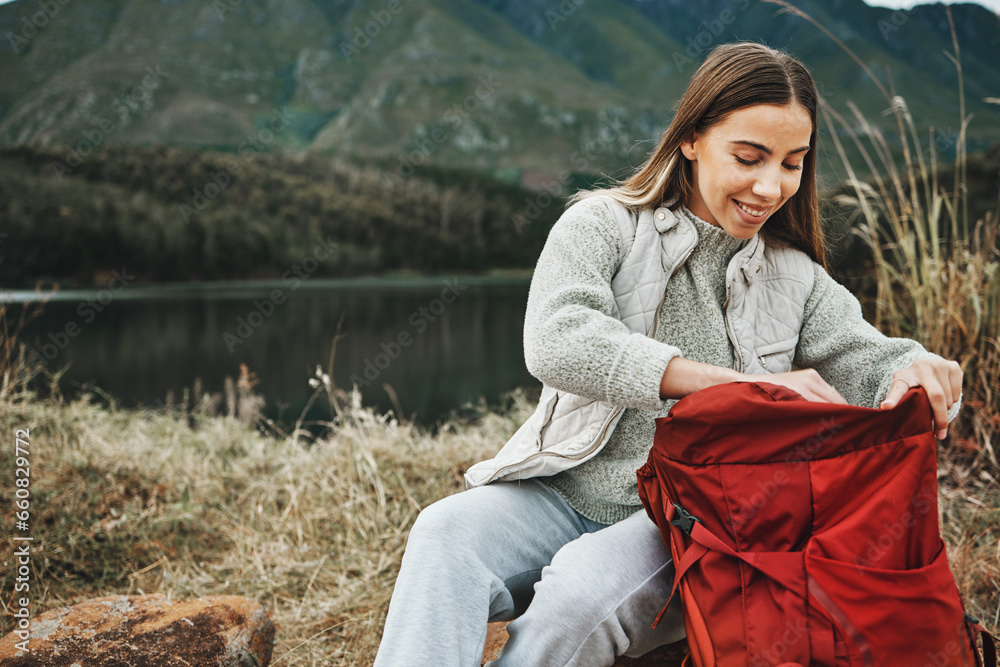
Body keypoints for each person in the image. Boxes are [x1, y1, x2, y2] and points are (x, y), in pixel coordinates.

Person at [372, 41, 963, 667]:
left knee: (580, 594)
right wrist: (726, 386)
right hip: (565, 491)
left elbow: (867, 356)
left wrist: (911, 368)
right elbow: (556, 337)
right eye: (749, 156)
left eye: (793, 163)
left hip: (694, 521)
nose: (771, 186)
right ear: (690, 139)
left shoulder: (799, 278)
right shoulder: (600, 223)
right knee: (443, 533)